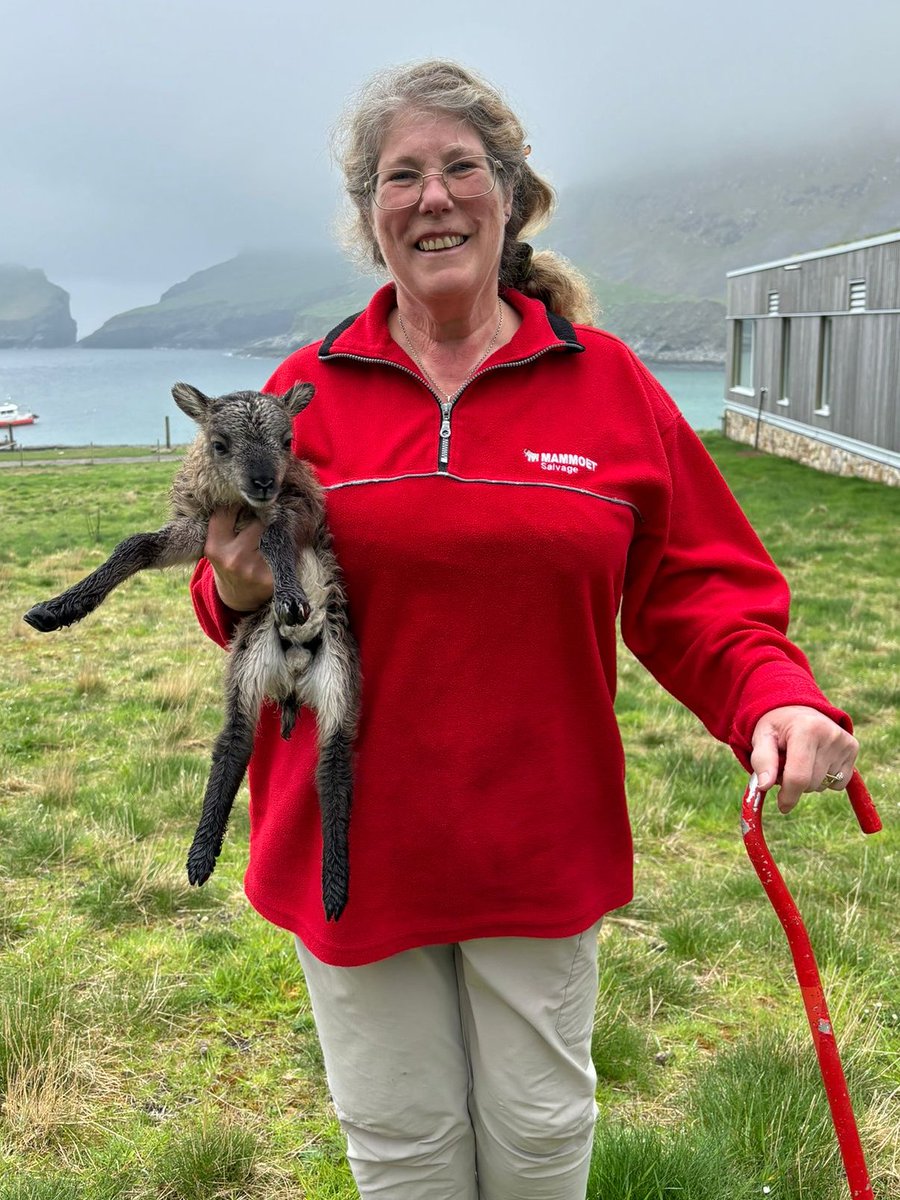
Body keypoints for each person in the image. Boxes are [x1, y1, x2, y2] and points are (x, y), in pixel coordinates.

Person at [190, 59, 859, 1200]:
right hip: (353, 842)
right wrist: (239, 588)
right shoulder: (306, 389)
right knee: (402, 1148)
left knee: (541, 1138)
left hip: (536, 837)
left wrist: (776, 695)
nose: (433, 197)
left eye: (461, 169)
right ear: (372, 216)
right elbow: (229, 600)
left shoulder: (607, 386)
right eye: (403, 176)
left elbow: (697, 585)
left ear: (510, 199)